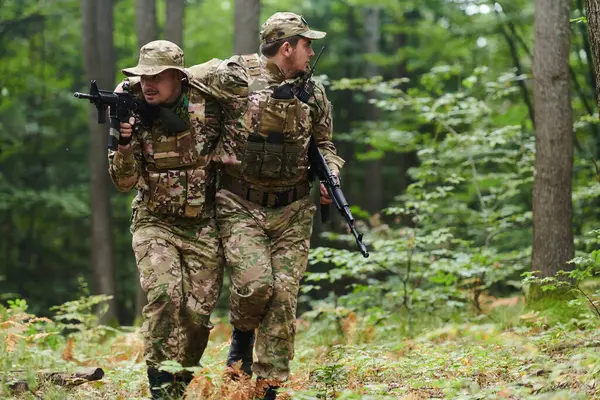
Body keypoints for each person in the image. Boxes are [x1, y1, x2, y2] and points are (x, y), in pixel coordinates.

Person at [192, 12, 344, 399]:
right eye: (306, 44)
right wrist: (137, 86)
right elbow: (181, 79)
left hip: (293, 210)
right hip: (240, 203)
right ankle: (242, 335)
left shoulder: (314, 92)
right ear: (287, 47)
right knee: (255, 285)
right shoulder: (235, 76)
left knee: (283, 298)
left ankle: (268, 387)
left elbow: (325, 145)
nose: (311, 52)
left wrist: (332, 176)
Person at [107, 40, 223, 399]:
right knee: (163, 297)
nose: (148, 84)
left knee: (196, 318)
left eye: (157, 76)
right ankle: (160, 390)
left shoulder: (208, 102)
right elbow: (124, 182)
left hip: (204, 225)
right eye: (143, 76)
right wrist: (124, 145)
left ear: (178, 76)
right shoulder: (131, 110)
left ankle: (178, 386)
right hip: (154, 221)